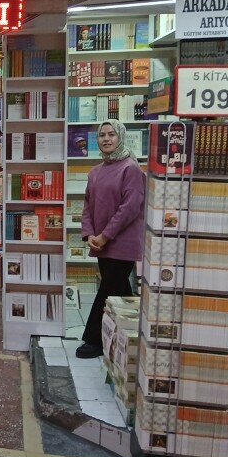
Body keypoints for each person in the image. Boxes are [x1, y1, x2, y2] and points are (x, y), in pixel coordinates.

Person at [76, 119, 146, 359]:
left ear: (121, 137)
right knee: (120, 292)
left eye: (111, 134)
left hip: (122, 244)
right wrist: (90, 234)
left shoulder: (131, 169)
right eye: (102, 135)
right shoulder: (95, 172)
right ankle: (133, 332)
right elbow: (87, 205)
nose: (106, 139)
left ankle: (93, 340)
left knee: (107, 289)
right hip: (100, 243)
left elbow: (130, 208)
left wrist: (105, 236)